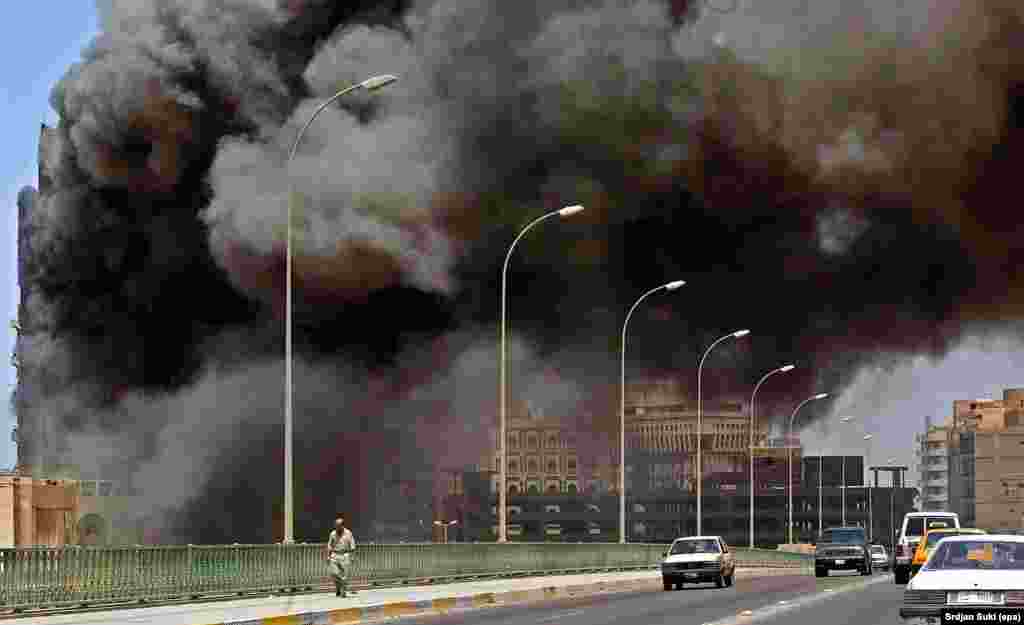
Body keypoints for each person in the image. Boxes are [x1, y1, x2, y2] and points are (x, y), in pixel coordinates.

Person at [326, 515, 356, 597]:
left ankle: (343, 590)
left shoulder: (348, 533)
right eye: (335, 525)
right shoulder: (332, 533)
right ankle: (339, 587)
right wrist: (328, 556)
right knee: (334, 573)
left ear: (342, 526)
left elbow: (352, 546)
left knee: (345, 575)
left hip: (345, 555)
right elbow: (329, 545)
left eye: (338, 526)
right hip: (334, 554)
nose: (336, 527)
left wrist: (352, 557)